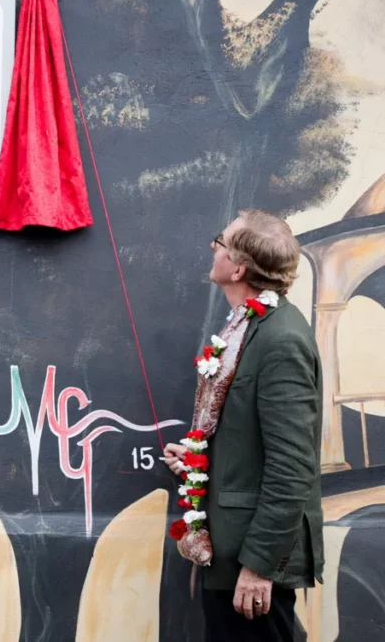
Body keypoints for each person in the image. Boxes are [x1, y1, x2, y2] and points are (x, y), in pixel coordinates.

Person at [163, 209, 323, 641]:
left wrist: (258, 567)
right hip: (232, 547)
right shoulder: (250, 324)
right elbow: (251, 438)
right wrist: (202, 459)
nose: (212, 247)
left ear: (238, 268)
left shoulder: (281, 339)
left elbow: (292, 466)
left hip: (251, 558)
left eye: (221, 241)